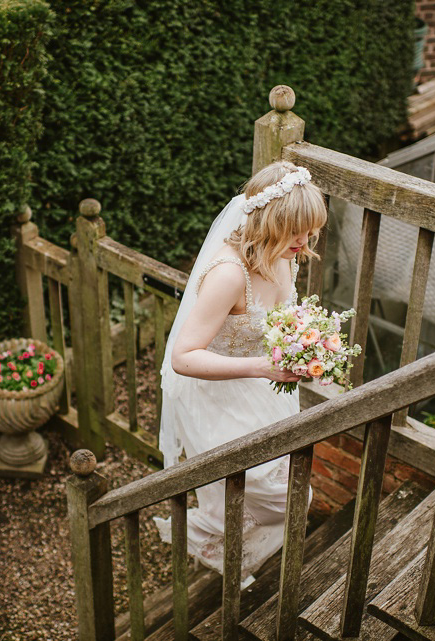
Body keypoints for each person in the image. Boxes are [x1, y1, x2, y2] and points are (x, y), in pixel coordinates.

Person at [154, 160, 328, 583]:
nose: (304, 242)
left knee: (286, 482)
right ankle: (207, 538)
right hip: (214, 391)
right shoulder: (228, 275)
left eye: (311, 230)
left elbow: (279, 316)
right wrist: (263, 365)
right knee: (269, 490)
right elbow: (183, 356)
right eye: (295, 231)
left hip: (259, 386)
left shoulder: (286, 254)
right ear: (268, 222)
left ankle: (235, 551)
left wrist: (307, 343)